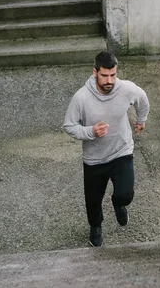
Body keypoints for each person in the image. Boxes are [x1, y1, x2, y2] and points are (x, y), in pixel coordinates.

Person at [63, 51, 150, 247]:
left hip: (121, 151)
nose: (109, 80)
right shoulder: (82, 98)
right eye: (104, 75)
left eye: (113, 75)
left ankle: (119, 204)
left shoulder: (126, 89)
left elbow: (142, 99)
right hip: (94, 159)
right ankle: (96, 226)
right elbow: (69, 126)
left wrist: (141, 119)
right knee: (93, 201)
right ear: (95, 73)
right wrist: (90, 132)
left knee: (125, 194)